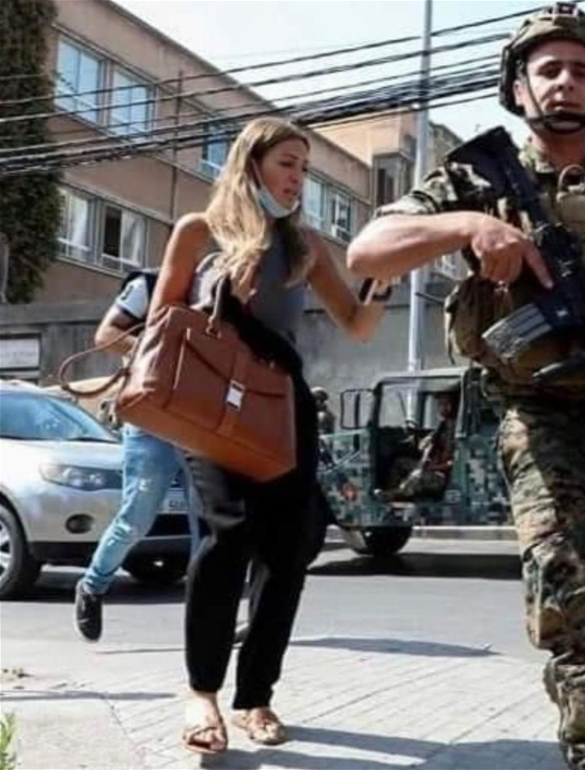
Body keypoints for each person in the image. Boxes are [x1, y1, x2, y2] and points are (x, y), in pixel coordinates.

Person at [348, 6, 585, 768]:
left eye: (581, 70)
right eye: (547, 69)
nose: (565, 82)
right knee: (581, 605)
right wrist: (468, 227)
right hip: (544, 420)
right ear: (519, 89)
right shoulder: (476, 180)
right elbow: (369, 250)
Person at [149, 117, 387, 755]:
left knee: (288, 553)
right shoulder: (200, 231)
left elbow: (358, 324)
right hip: (210, 406)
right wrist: (227, 287)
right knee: (228, 537)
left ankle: (256, 696)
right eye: (287, 164)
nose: (297, 179)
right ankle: (202, 693)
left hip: (281, 406)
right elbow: (163, 319)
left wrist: (385, 277)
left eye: (304, 168)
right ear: (251, 163)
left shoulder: (305, 244)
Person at [73, 270, 203, 643]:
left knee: (206, 524)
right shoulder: (147, 284)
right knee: (136, 519)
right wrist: (157, 353)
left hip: (197, 422)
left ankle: (206, 614)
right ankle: (92, 586)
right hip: (149, 421)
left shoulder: (215, 284)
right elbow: (106, 335)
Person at [386, 391, 458, 501]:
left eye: (446, 404)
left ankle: (396, 493)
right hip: (432, 466)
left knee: (418, 476)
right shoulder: (443, 425)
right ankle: (394, 493)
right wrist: (425, 444)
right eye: (440, 404)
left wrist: (433, 467)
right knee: (400, 463)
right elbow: (428, 442)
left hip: (444, 475)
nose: (442, 408)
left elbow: (455, 463)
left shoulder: (458, 429)